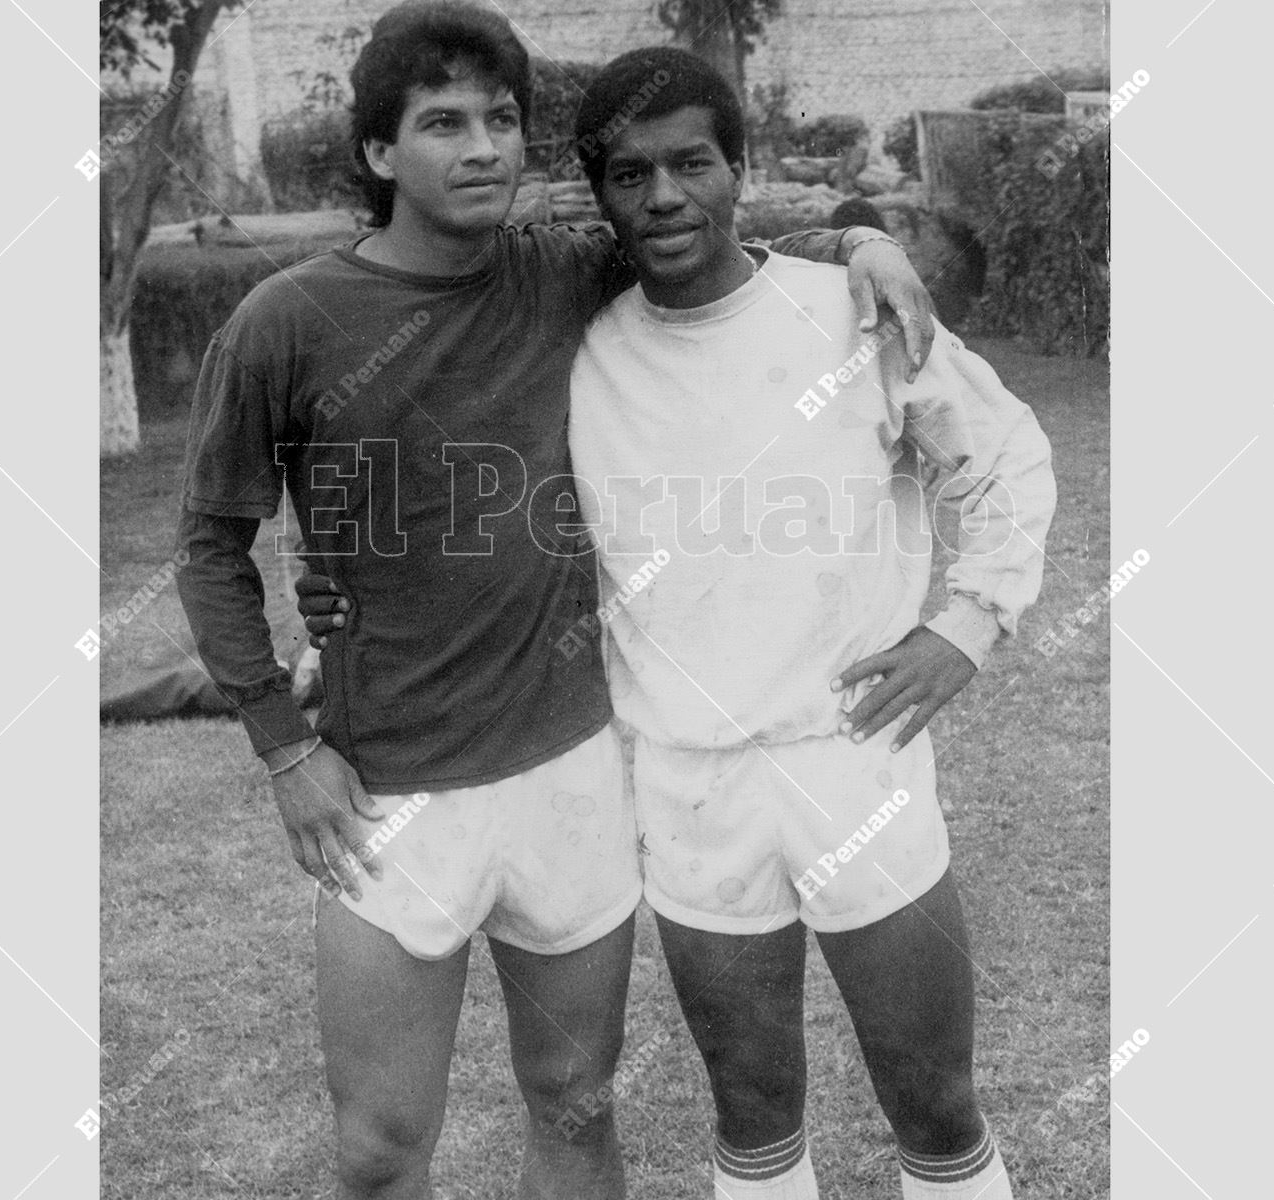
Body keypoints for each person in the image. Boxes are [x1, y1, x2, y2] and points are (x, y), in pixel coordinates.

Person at [173, 4, 936, 1197]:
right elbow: (208, 549)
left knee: (577, 1109)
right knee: (377, 1151)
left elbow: (715, 213)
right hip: (389, 788)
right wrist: (282, 749)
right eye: (441, 124)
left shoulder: (563, 270)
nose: (482, 148)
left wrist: (862, 230)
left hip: (574, 770)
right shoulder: (286, 322)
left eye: (501, 120)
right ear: (380, 154)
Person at [566, 48, 1054, 1200]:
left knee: (932, 1101)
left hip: (854, 758)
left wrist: (967, 627)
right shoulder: (581, 350)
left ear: (742, 168)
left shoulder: (850, 307)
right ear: (602, 196)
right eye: (631, 175)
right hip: (689, 785)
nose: (666, 196)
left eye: (693, 162)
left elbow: (1006, 459)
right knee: (751, 1108)